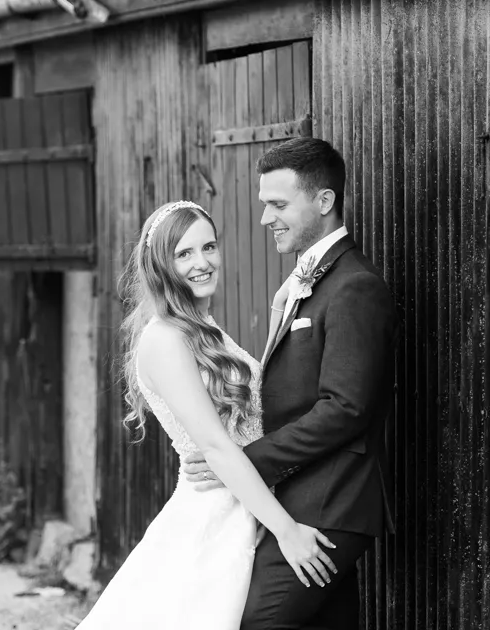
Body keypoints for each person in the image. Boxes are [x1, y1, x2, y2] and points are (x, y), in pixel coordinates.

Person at [76, 199, 338, 630]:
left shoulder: (204, 328)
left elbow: (252, 400)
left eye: (209, 247)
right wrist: (287, 531)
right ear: (160, 265)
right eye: (184, 253)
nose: (203, 262)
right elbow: (216, 445)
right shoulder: (164, 340)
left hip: (248, 504)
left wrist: (279, 309)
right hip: (213, 517)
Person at [182, 136, 398, 630]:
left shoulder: (354, 287)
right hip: (298, 496)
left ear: (324, 201)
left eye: (278, 204)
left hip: (330, 502)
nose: (265, 219)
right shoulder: (309, 280)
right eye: (264, 205)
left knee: (258, 621)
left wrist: (243, 463)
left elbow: (345, 408)